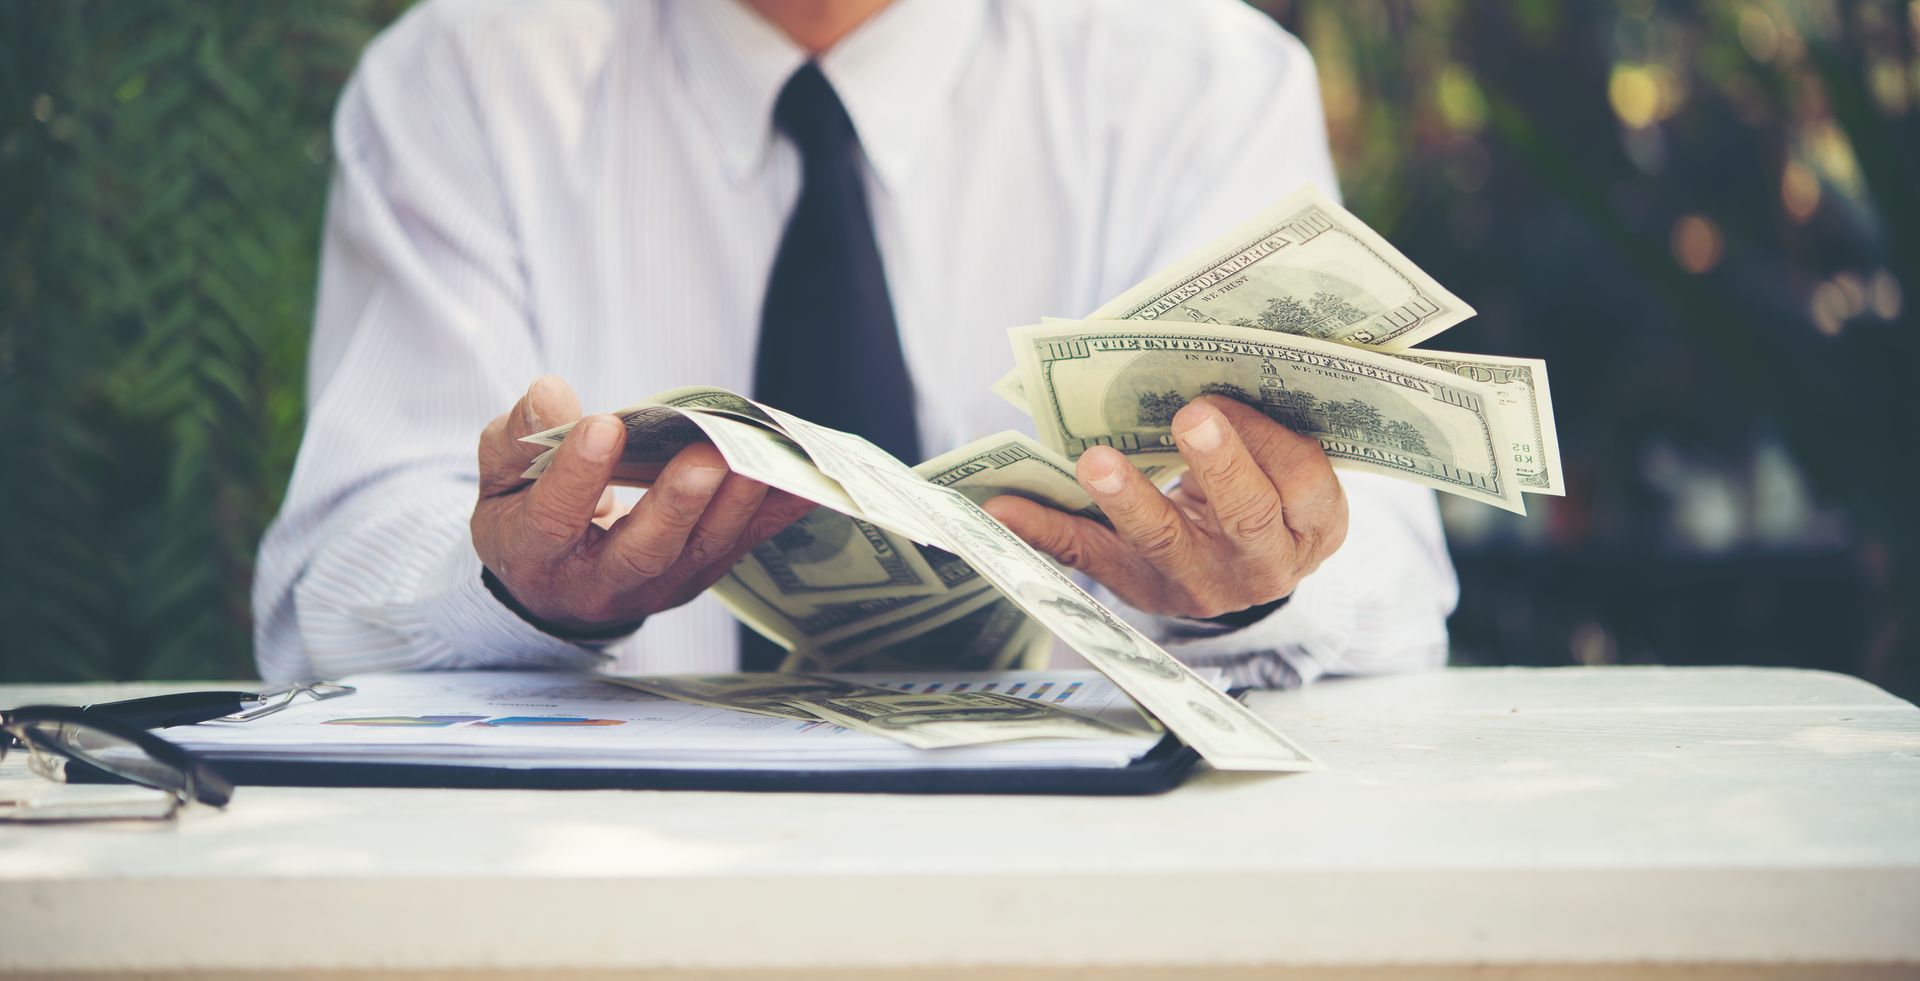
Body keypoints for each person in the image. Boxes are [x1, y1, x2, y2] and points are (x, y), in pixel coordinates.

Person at [253, 0, 1458, 688]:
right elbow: (330, 595)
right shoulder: (462, 82)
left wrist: (1250, 581)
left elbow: (1387, 584)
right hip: (608, 911)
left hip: (1094, 897)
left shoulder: (1201, 80)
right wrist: (515, 591)